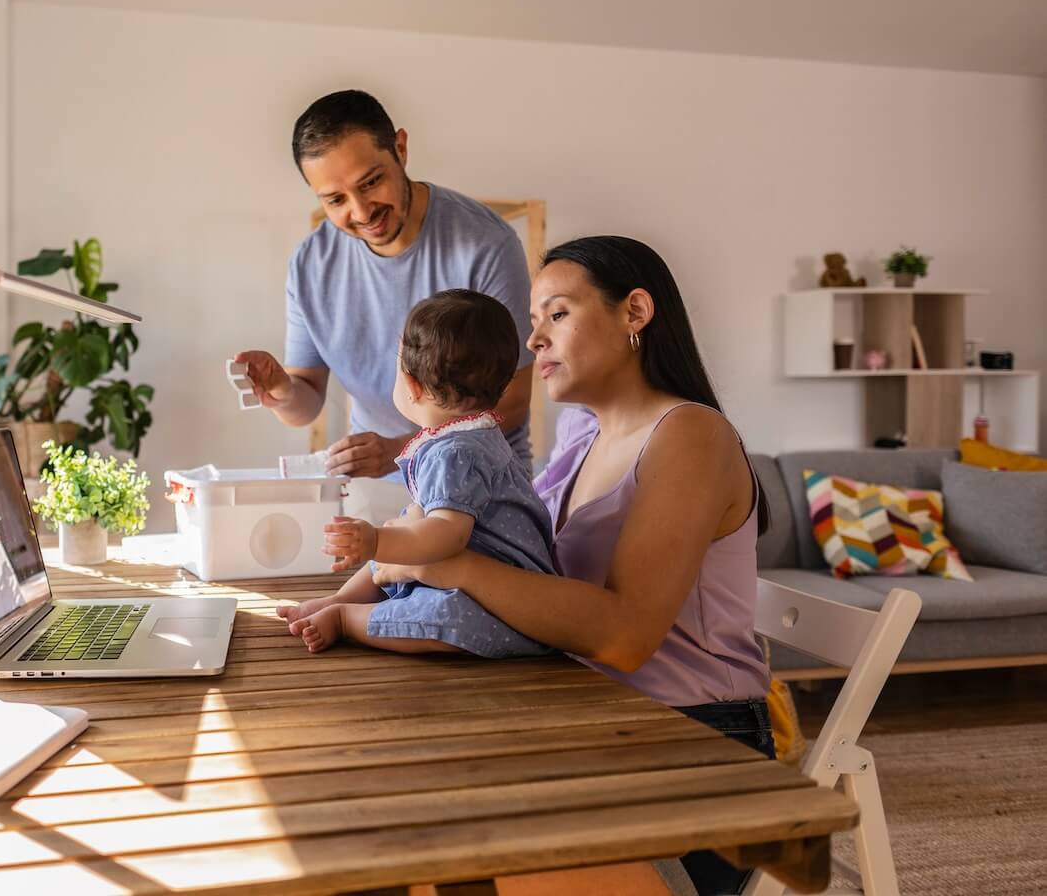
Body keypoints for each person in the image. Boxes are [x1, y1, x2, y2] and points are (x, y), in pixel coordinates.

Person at [369, 236, 772, 896]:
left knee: (421, 845)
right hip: (593, 717)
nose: (534, 342)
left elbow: (625, 636)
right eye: (533, 324)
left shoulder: (690, 435)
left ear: (634, 312)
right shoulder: (583, 434)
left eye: (556, 314)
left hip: (694, 749)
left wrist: (455, 566)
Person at [233, 90, 534, 522]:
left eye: (371, 182)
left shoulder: (485, 244)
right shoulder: (310, 265)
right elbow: (306, 402)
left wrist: (399, 450)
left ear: (401, 148)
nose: (361, 211)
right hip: (373, 498)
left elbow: (514, 400)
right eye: (335, 200)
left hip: (481, 492)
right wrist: (281, 389)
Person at [274, 289, 555, 658]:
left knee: (441, 615)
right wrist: (392, 536)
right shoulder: (471, 435)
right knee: (401, 530)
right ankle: (340, 599)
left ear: (411, 386)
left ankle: (347, 619)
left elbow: (446, 537)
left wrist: (375, 541)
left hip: (500, 598)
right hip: (480, 571)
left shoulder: (456, 452)